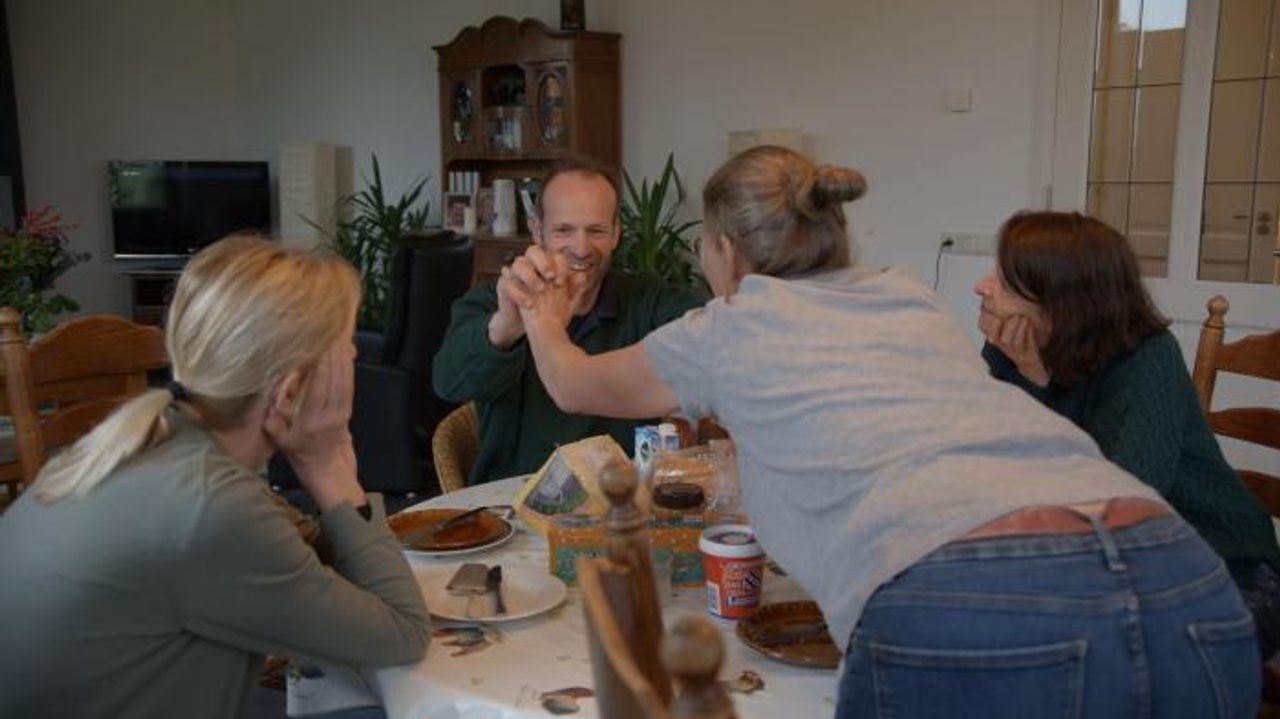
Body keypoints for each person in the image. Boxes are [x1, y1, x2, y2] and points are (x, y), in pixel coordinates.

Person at [514, 146, 1258, 717]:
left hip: (974, 597)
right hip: (1182, 575)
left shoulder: (731, 325)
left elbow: (574, 381)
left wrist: (543, 312)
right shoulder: (910, 297)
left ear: (728, 253)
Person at [0, 236, 430, 719]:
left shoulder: (151, 442)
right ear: (289, 391)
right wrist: (330, 471)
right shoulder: (211, 505)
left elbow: (302, 559)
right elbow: (403, 634)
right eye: (345, 346)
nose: (353, 354)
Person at [975, 209, 1280, 659]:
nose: (980, 286)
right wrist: (1030, 375)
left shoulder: (1147, 357)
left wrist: (1036, 382)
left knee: (1097, 655)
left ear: (1060, 301)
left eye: (1003, 282)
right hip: (1107, 560)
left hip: (1224, 561)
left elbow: (1122, 503)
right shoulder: (1013, 349)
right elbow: (996, 466)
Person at [432, 156, 704, 484]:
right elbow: (447, 384)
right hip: (512, 500)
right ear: (537, 231)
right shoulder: (493, 301)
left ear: (616, 233)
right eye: (564, 230)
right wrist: (505, 327)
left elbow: (714, 344)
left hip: (619, 500)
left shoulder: (648, 299)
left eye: (596, 230)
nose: (581, 248)